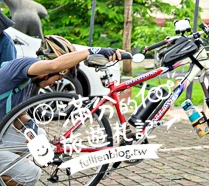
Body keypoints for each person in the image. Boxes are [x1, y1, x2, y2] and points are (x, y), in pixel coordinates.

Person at [0, 36, 120, 186]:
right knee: (30, 174)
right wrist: (92, 51)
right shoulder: (21, 65)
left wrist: (33, 134)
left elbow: (19, 115)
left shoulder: (27, 81)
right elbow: (53, 65)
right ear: (50, 72)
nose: (54, 84)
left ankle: (7, 168)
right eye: (57, 79)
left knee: (39, 135)